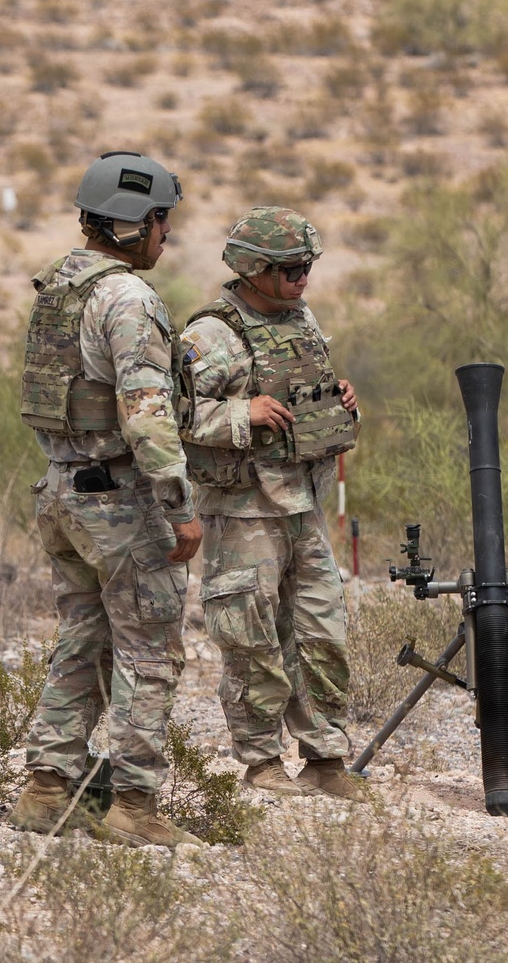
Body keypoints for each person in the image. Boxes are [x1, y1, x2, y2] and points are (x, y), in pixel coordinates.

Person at [10, 151, 204, 847]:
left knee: (82, 639)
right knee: (150, 651)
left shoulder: (60, 286)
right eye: (160, 220)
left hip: (62, 492)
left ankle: (46, 788)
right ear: (131, 225)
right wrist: (180, 508)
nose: (166, 233)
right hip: (118, 502)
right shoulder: (127, 299)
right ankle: (134, 807)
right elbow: (147, 416)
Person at [178, 206, 364, 801]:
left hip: (304, 504)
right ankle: (260, 761)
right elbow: (169, 417)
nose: (302, 278)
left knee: (321, 630)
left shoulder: (301, 320)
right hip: (242, 509)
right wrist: (243, 413)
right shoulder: (209, 335)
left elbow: (305, 391)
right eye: (290, 269)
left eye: (307, 266)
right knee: (250, 636)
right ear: (253, 269)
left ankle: (325, 758)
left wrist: (339, 400)